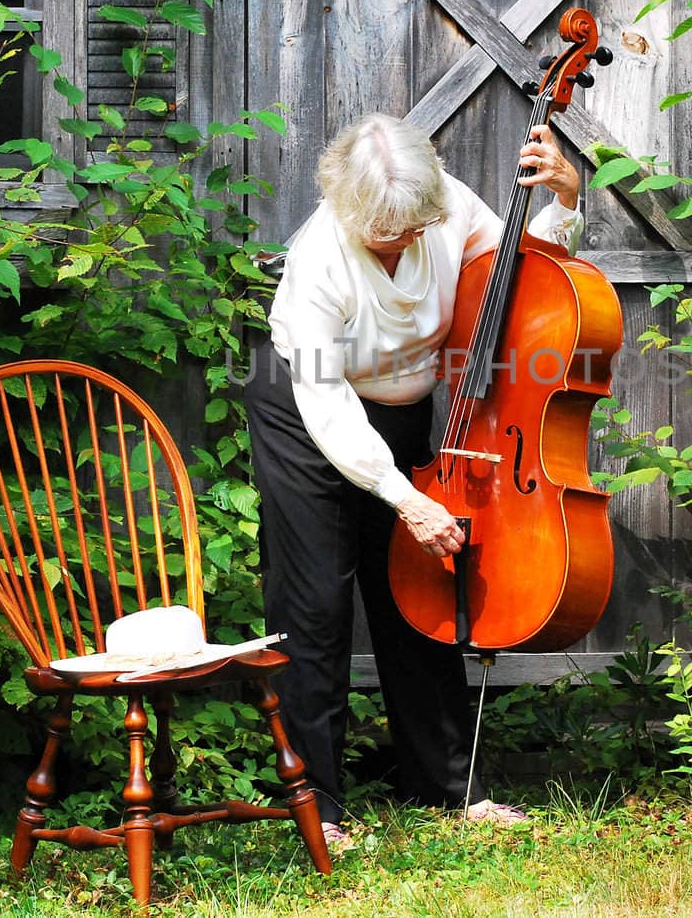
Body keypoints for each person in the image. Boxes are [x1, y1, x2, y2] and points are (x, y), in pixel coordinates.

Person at [245, 112, 584, 849]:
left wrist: (565, 203)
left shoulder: (447, 204)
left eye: (412, 229)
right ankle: (319, 808)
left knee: (419, 591)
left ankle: (449, 788)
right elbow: (327, 404)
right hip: (309, 417)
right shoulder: (317, 263)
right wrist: (406, 500)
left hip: (402, 409)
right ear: (348, 209)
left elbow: (520, 278)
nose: (402, 242)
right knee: (316, 605)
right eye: (385, 232)